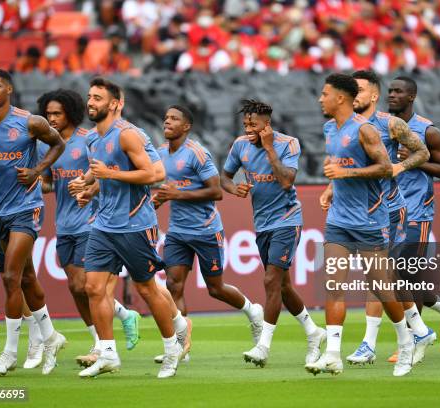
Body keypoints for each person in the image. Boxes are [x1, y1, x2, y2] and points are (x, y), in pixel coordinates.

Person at [307, 73, 415, 377]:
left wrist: (346, 175)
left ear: (340, 98)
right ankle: (332, 355)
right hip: (338, 220)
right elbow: (338, 166)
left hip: (369, 220)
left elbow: (385, 169)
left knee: (383, 289)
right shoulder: (330, 129)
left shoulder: (364, 130)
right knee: (333, 286)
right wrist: (331, 186)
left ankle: (406, 343)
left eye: (325, 93)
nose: (320, 99)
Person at [77, 77, 182, 379]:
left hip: (135, 224)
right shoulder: (92, 138)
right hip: (104, 225)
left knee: (147, 289)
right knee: (93, 287)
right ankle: (108, 353)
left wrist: (109, 173)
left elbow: (151, 174)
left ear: (114, 103)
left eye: (97, 98)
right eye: (89, 97)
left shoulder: (128, 135)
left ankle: (171, 347)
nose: (91, 102)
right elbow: (103, 176)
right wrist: (89, 188)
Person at [0, 69, 67, 376]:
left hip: (27, 208)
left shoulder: (30, 122)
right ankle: (51, 336)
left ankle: (9, 353)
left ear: (8, 89)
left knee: (9, 276)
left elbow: (58, 144)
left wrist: (37, 170)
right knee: (26, 278)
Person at [36, 89, 145, 364]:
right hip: (64, 224)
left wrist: (88, 188)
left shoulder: (89, 141)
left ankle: (101, 345)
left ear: (71, 113)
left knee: (88, 285)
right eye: (48, 114)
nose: (52, 119)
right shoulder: (50, 146)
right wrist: (35, 181)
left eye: (57, 113)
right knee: (76, 286)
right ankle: (122, 316)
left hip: (91, 222)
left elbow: (102, 177)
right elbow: (50, 182)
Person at [221, 99, 325, 368]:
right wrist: (234, 189)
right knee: (283, 285)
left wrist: (269, 149)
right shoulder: (239, 145)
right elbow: (224, 177)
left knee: (270, 280)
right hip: (262, 224)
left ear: (267, 124)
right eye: (245, 124)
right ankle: (313, 332)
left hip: (288, 220)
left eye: (253, 124)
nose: (248, 129)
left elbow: (287, 179)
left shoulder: (288, 144)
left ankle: (263, 346)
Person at [346, 70, 439, 367]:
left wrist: (400, 168)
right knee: (384, 275)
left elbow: (422, 152)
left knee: (379, 274)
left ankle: (369, 344)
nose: (353, 95)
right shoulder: (345, 126)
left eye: (358, 90)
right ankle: (422, 330)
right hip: (364, 210)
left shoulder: (390, 124)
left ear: (373, 95)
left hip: (389, 209)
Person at [156, 105, 264, 348]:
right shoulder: (160, 153)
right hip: (177, 232)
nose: (167, 122)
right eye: (166, 118)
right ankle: (180, 346)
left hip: (205, 230)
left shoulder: (197, 153)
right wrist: (158, 199)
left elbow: (216, 192)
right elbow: (165, 188)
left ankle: (252, 311)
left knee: (215, 289)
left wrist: (177, 193)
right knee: (173, 285)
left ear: (186, 126)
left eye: (174, 118)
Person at [387, 76, 440, 351]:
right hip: (388, 213)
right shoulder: (381, 127)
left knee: (403, 276)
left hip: (417, 214)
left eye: (398, 91)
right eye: (389, 91)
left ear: (411, 97)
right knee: (397, 277)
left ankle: (412, 341)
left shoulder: (427, 131)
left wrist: (415, 160)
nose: (391, 95)